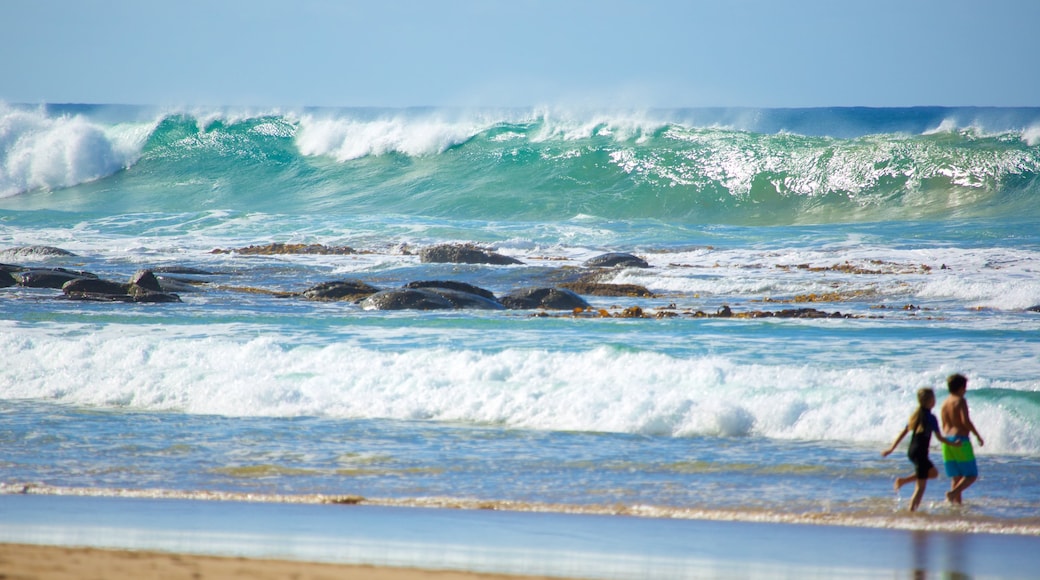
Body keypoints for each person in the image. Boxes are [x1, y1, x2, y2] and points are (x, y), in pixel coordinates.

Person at [882, 387, 960, 512]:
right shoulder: (931, 418)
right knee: (920, 487)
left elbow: (903, 433)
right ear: (930, 401)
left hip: (912, 452)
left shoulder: (916, 415)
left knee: (933, 473)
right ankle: (911, 512)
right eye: (934, 398)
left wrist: (892, 448)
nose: (935, 400)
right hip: (920, 454)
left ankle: (903, 481)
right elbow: (940, 438)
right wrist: (954, 444)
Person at [941, 373, 984, 504]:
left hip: (947, 441)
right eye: (965, 388)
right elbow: (965, 421)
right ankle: (952, 494)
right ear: (960, 388)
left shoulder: (945, 402)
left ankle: (956, 506)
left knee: (956, 476)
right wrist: (977, 435)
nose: (965, 391)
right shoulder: (960, 400)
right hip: (960, 440)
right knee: (971, 475)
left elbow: (943, 424)